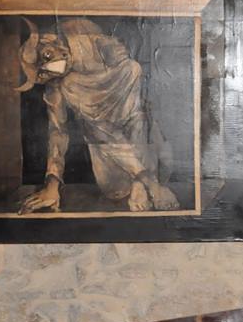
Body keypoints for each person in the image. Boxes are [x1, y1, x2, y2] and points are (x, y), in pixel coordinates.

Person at [15, 17, 179, 214]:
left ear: (51, 41)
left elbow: (128, 67)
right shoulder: (59, 84)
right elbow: (57, 132)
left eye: (47, 56)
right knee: (112, 181)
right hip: (106, 149)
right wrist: (52, 184)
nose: (49, 69)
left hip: (139, 128)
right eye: (42, 74)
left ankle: (145, 182)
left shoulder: (94, 43)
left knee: (136, 105)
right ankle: (144, 181)